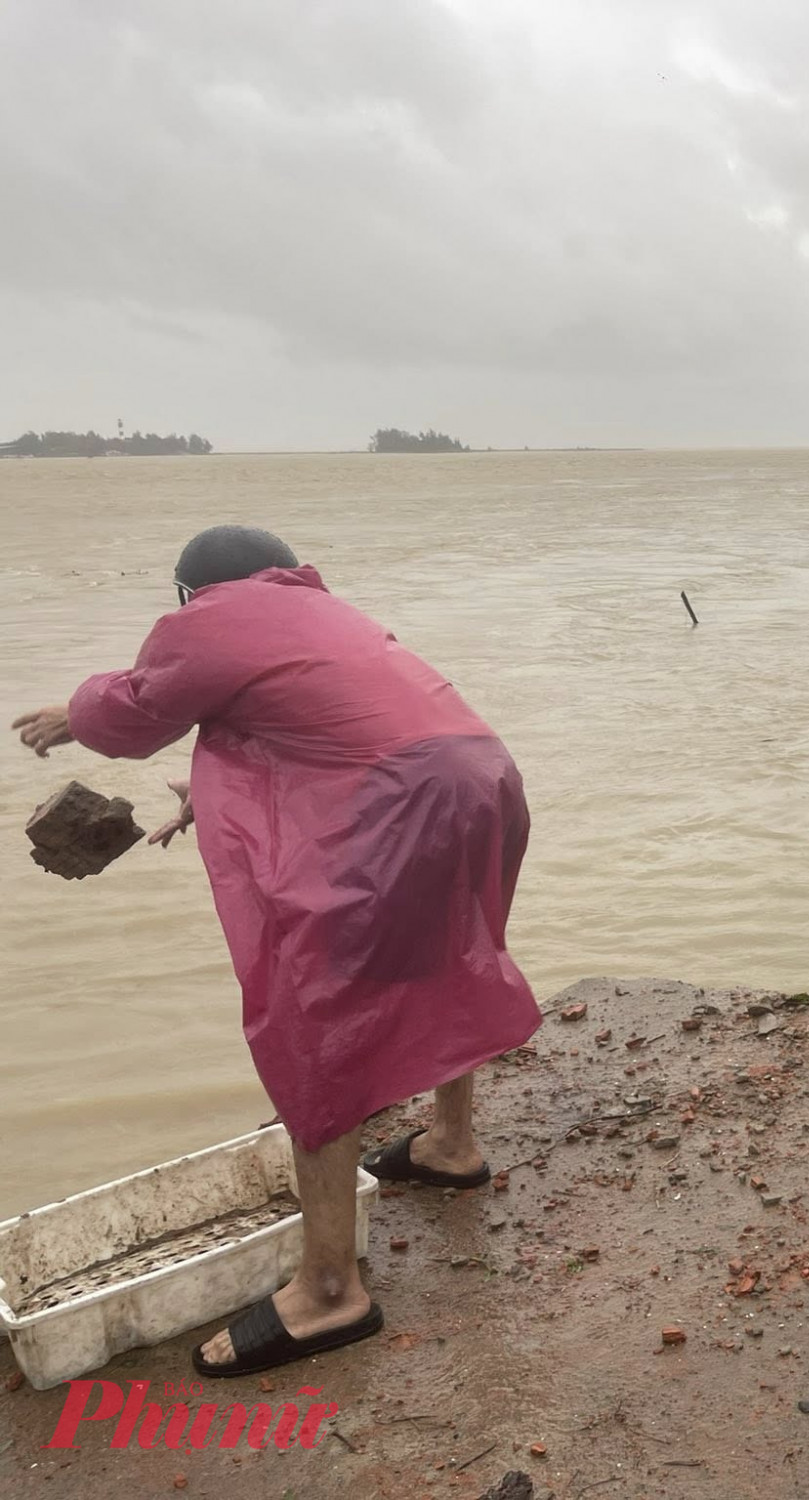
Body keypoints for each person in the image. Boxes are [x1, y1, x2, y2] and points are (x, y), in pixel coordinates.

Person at [12, 525, 539, 1378]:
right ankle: (450, 1144)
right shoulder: (325, 613)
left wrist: (68, 714)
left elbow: (135, 713)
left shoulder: (210, 616)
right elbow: (306, 734)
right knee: (444, 959)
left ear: (191, 592)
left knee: (310, 1016)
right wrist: (207, 796)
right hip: (480, 779)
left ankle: (331, 1289)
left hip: (400, 797)